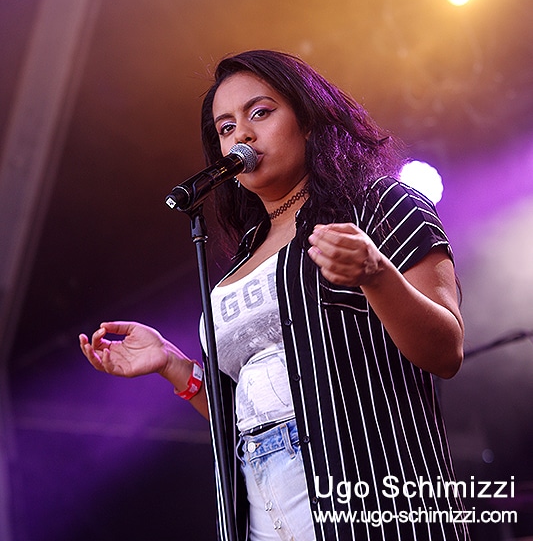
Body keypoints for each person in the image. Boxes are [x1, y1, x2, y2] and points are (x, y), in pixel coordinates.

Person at [80, 49, 469, 541]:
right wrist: (174, 366)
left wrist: (375, 274)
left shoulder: (379, 203)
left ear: (307, 120)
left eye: (260, 113)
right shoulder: (241, 260)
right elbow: (248, 420)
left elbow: (446, 351)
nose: (241, 135)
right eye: (225, 128)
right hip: (263, 515)